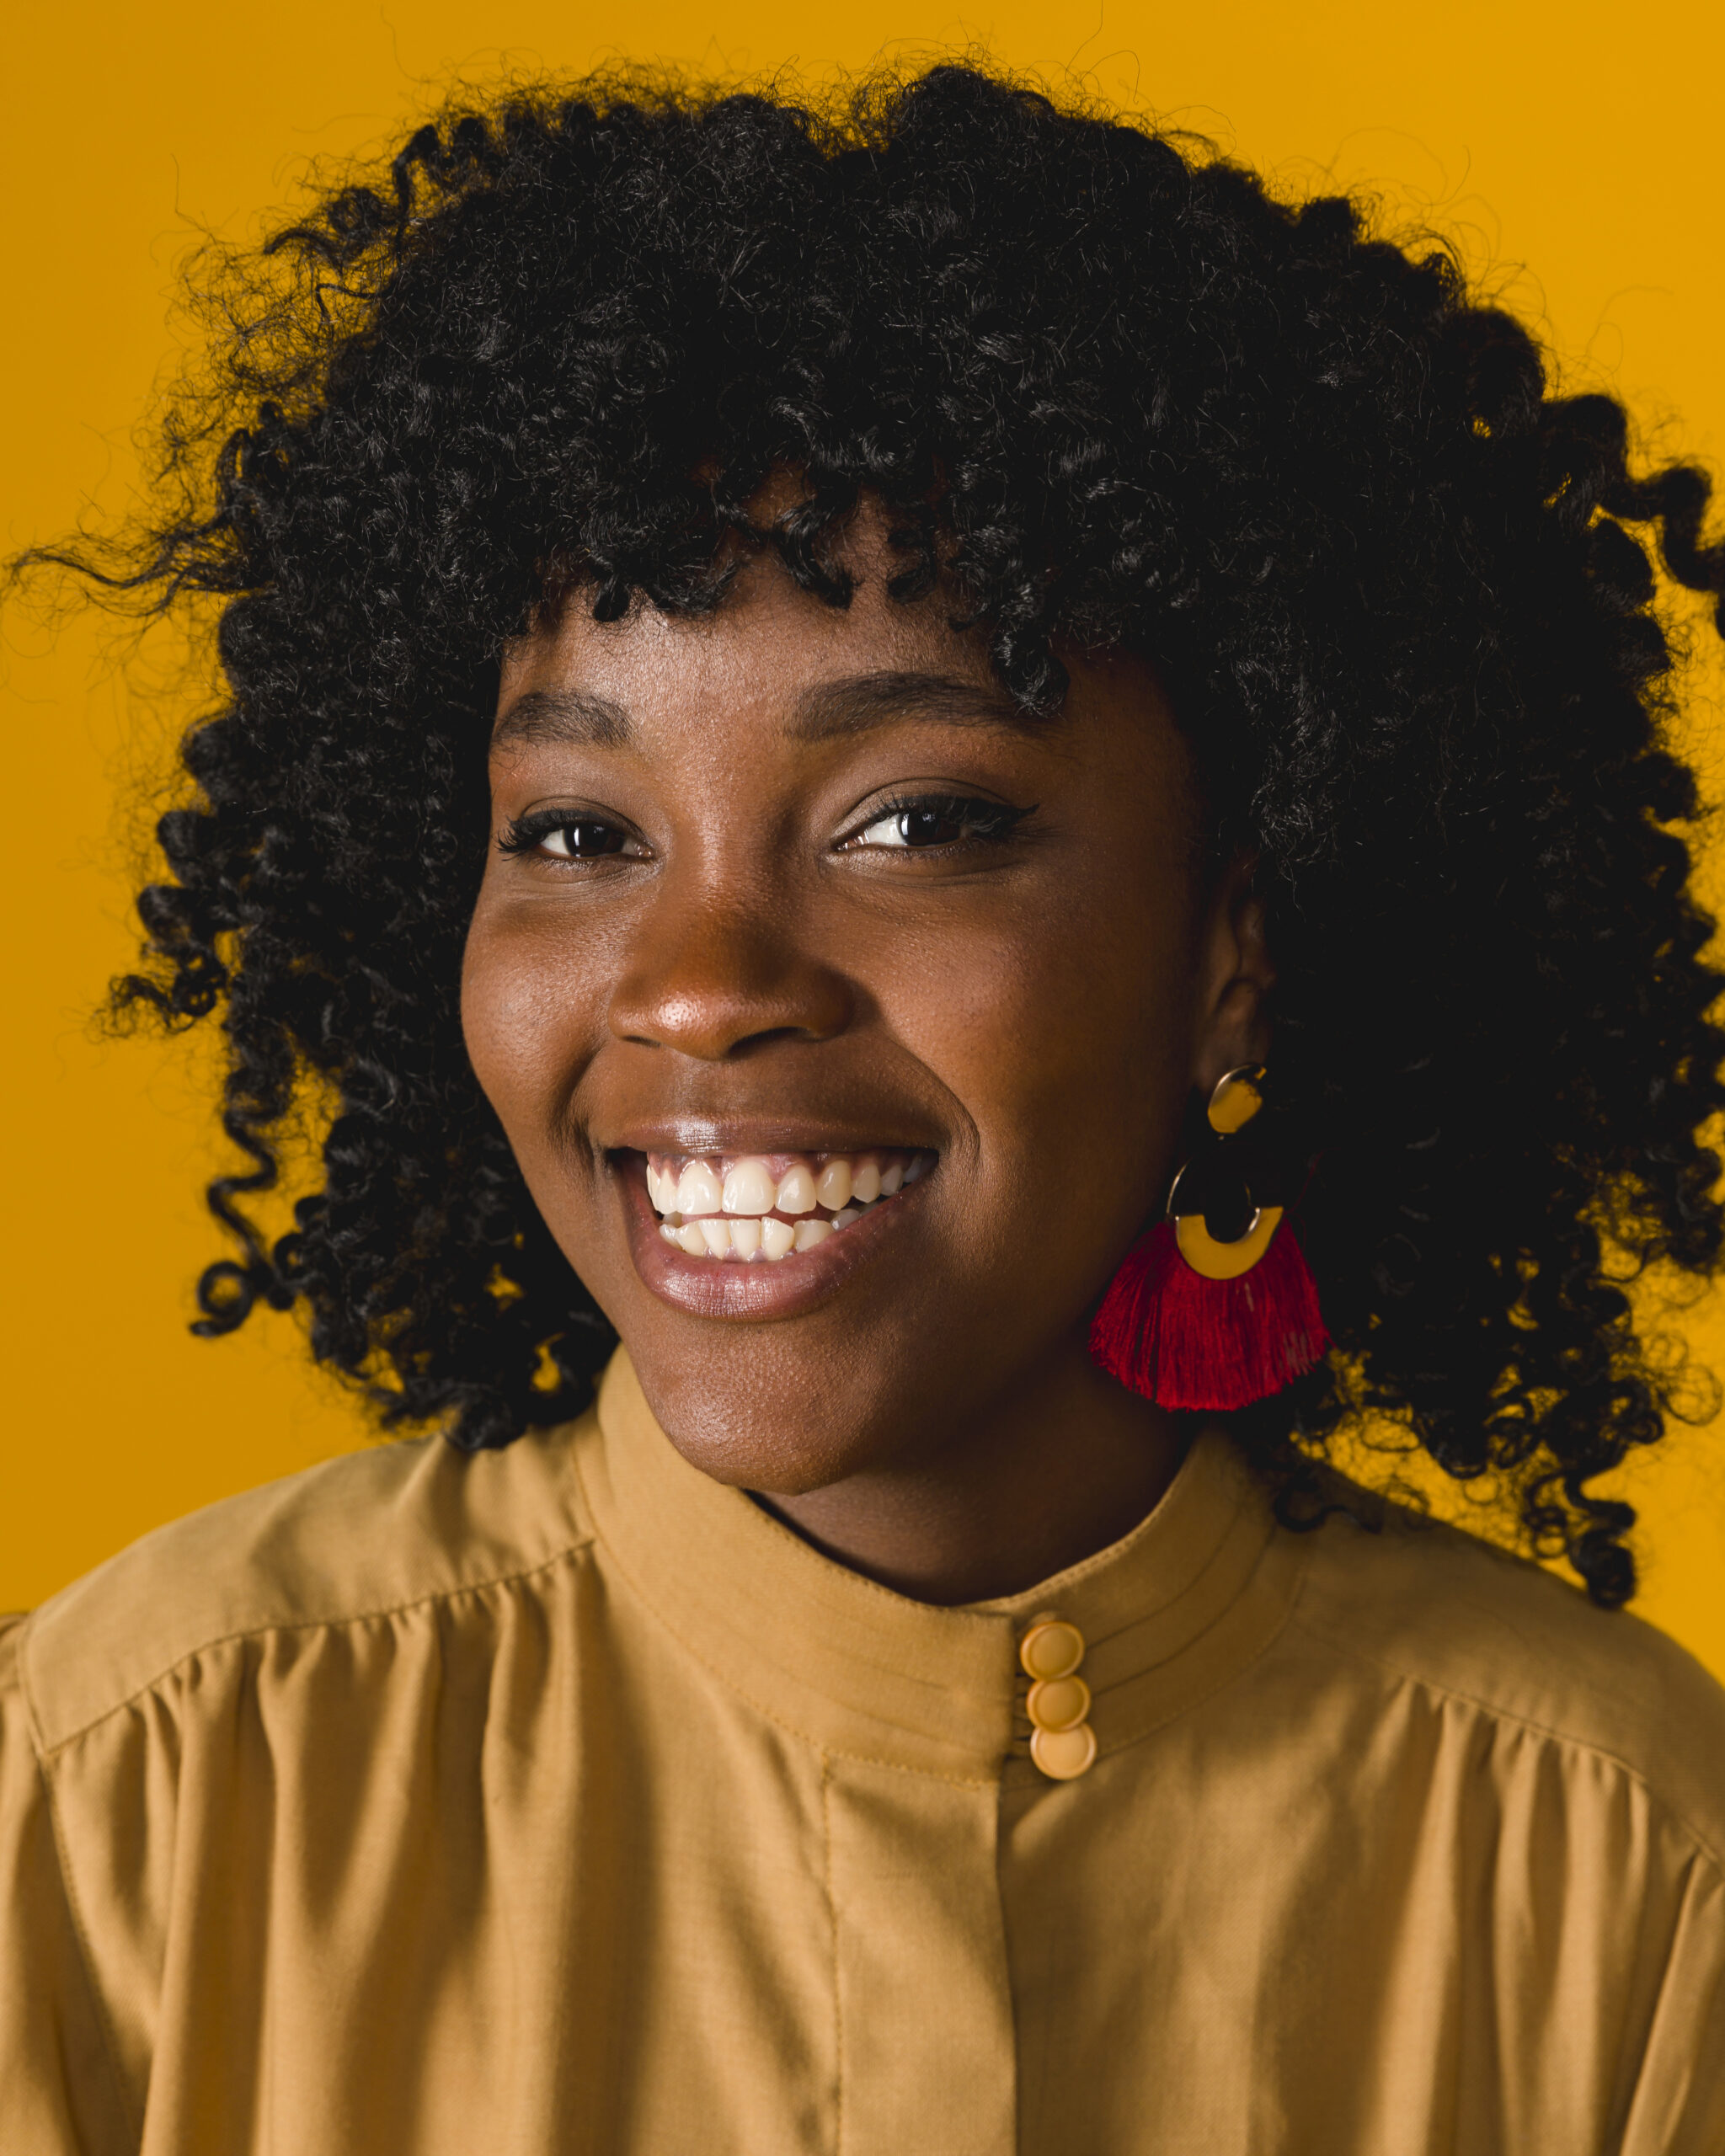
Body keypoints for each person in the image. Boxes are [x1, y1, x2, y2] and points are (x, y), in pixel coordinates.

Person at [5, 61, 1725, 2153]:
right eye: (571, 829)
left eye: (915, 819)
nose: (701, 984)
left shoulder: (1627, 1875)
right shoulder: (119, 1793)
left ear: (1232, 948)